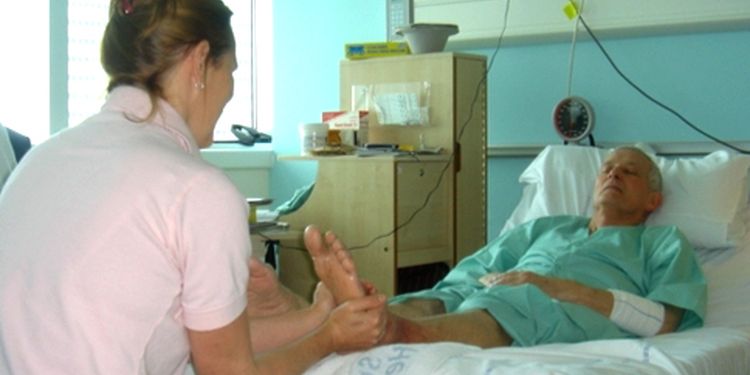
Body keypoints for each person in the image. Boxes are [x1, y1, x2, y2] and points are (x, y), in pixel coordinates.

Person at [0, 0, 386, 374]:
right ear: (200, 61)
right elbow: (228, 370)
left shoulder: (40, 159)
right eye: (231, 70)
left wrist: (319, 317)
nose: (231, 89)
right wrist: (330, 339)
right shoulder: (199, 192)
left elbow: (205, 343)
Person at [300, 146, 707, 348]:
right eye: (608, 168)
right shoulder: (550, 226)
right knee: (448, 292)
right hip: (499, 291)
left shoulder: (661, 242)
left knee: (517, 301)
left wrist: (555, 287)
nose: (614, 174)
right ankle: (348, 318)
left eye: (629, 171)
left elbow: (664, 322)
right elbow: (479, 266)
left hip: (571, 315)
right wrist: (458, 291)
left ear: (654, 201)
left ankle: (398, 333)